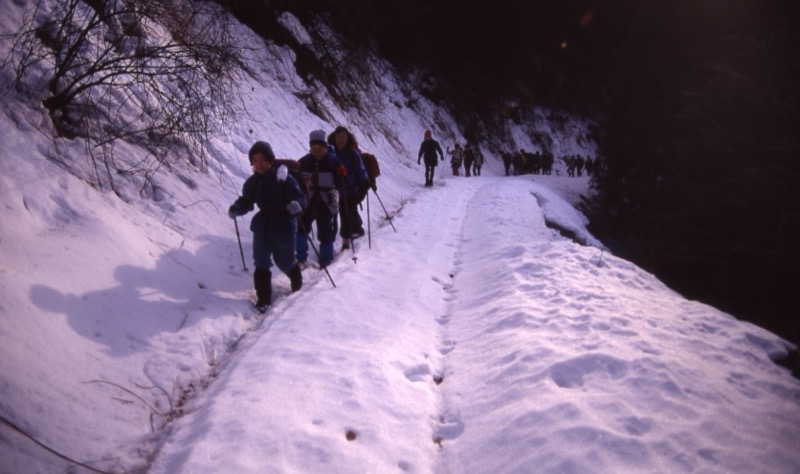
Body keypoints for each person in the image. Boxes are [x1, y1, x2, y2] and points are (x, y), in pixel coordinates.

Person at [228, 141, 306, 312]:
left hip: (284, 225)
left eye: (263, 160)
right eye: (255, 160)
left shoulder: (284, 179)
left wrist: (297, 205)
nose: (259, 164)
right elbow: (247, 200)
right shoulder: (252, 183)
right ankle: (263, 299)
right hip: (262, 226)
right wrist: (237, 208)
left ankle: (297, 282)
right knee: (261, 261)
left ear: (270, 160)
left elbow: (299, 197)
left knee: (285, 261)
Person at [296, 130, 345, 269]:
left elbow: (341, 183)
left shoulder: (333, 161)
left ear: (325, 147)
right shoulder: (304, 161)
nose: (317, 152)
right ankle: (301, 258)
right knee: (301, 227)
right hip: (309, 200)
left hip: (326, 201)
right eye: (314, 149)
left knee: (325, 231)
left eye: (320, 149)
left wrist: (342, 175)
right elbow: (296, 178)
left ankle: (326, 259)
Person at [328, 126, 369, 250]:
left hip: (350, 189)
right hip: (334, 189)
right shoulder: (330, 152)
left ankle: (346, 239)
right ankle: (356, 229)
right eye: (338, 137)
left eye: (343, 137)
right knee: (346, 212)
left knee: (346, 213)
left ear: (347, 138)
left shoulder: (352, 153)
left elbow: (360, 169)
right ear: (334, 138)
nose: (341, 140)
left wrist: (365, 183)